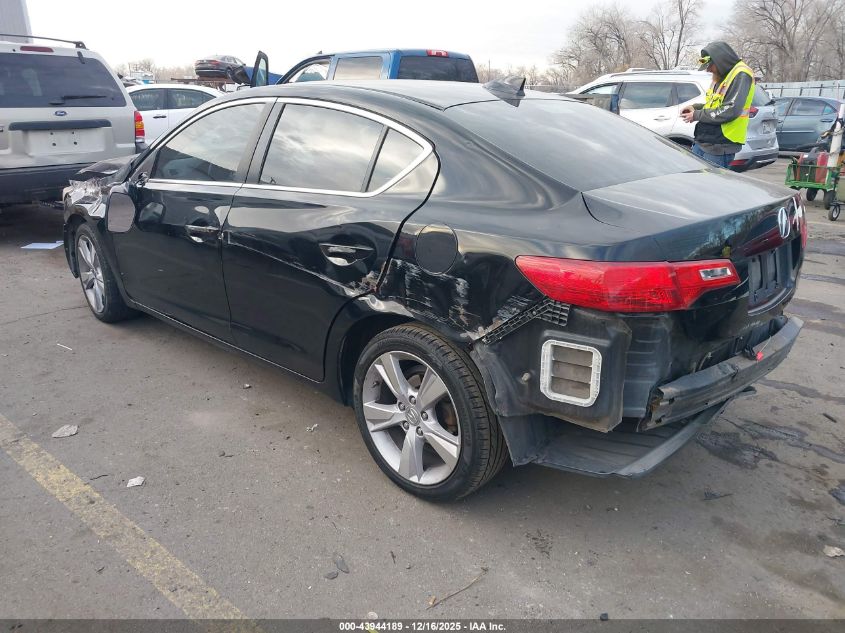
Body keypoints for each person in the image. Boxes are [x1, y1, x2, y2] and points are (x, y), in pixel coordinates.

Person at [681, 41, 755, 168]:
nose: (709, 70)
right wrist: (696, 108)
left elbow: (729, 110)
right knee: (695, 183)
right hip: (705, 142)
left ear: (720, 60)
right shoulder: (722, 76)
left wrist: (697, 115)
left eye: (710, 65)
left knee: (709, 186)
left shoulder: (741, 74)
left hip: (720, 145)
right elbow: (714, 105)